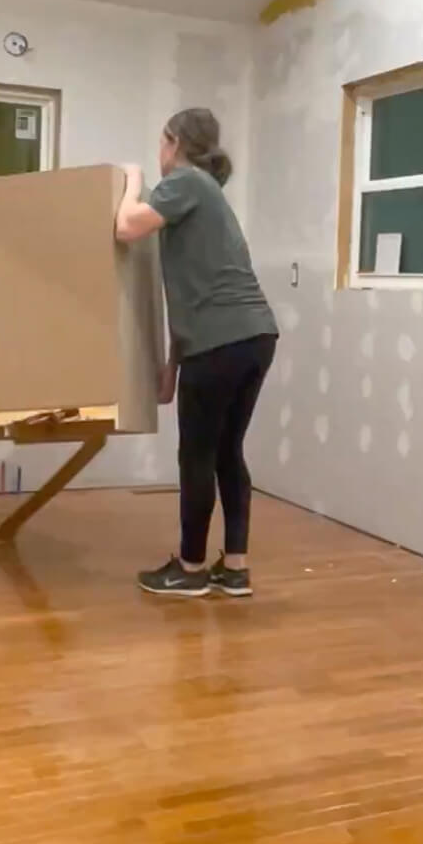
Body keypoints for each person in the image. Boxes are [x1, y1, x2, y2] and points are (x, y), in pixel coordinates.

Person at [115, 108, 277, 598]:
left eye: (160, 144)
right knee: (227, 451)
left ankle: (189, 569)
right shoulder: (207, 192)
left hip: (221, 341)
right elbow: (189, 293)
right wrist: (172, 368)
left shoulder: (185, 180)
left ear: (173, 142)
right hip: (253, 337)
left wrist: (133, 180)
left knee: (198, 456)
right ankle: (236, 568)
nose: (158, 153)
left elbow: (125, 228)